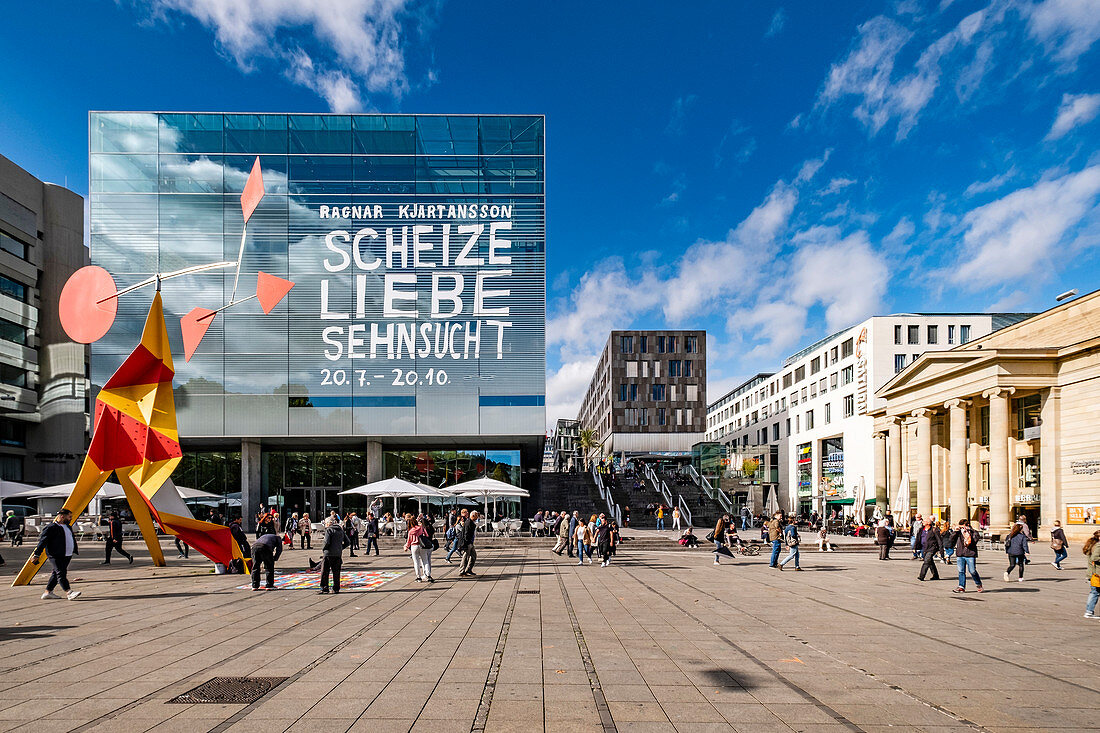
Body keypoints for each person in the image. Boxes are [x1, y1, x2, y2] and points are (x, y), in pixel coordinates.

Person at [31, 508, 81, 600]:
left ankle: (48, 592)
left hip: (67, 554)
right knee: (61, 573)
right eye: (69, 517)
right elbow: (42, 541)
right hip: (55, 554)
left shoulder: (68, 526)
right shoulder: (51, 527)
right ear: (62, 516)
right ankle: (69, 592)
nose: (71, 518)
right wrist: (36, 554)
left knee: (56, 573)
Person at [946, 518, 983, 593]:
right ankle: (961, 586)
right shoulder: (958, 533)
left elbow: (975, 539)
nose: (962, 529)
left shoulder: (974, 532)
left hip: (970, 554)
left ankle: (978, 584)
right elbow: (951, 539)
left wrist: (969, 532)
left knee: (972, 571)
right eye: (961, 527)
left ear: (968, 525)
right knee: (961, 571)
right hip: (960, 554)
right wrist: (955, 531)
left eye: (963, 527)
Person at [319, 516, 349, 594]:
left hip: (328, 554)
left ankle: (325, 588)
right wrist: (340, 548)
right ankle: (336, 588)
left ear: (329, 523)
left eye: (325, 523)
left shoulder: (329, 530)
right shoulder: (340, 530)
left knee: (325, 572)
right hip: (338, 554)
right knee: (336, 572)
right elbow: (347, 541)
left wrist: (324, 549)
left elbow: (327, 542)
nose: (325, 524)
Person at [916, 517, 943, 581]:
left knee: (926, 561)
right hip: (924, 548)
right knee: (930, 562)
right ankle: (935, 575)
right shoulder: (921, 529)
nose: (922, 522)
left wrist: (941, 550)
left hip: (932, 548)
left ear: (928, 523)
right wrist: (915, 547)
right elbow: (918, 538)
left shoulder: (934, 530)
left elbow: (939, 540)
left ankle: (921, 576)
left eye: (924, 521)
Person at [1083, 530, 1100, 618]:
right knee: (1095, 592)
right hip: (1096, 573)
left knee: (1094, 592)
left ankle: (1089, 611)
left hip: (1092, 573)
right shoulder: (1098, 545)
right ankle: (1089, 611)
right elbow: (1095, 557)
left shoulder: (1092, 544)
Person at [459, 510, 479, 577]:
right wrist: (467, 542)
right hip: (467, 543)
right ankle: (462, 571)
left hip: (470, 542)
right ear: (473, 516)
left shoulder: (470, 522)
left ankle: (469, 569)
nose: (477, 517)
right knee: (465, 557)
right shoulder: (468, 522)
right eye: (476, 516)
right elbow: (466, 533)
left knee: (473, 556)